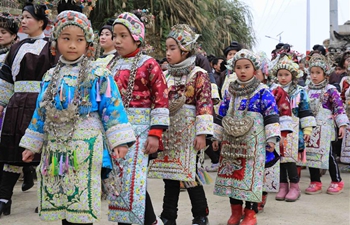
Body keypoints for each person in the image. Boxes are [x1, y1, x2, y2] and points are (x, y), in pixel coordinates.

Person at [20, 10, 135, 225]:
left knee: (82, 199)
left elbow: (112, 108)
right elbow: (40, 112)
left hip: (86, 146)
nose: (72, 45)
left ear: (87, 44)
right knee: (62, 198)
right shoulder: (49, 76)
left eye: (79, 40)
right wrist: (32, 145)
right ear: (56, 42)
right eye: (66, 39)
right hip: (55, 145)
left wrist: (119, 141)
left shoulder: (98, 74)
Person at [107, 12, 169, 225]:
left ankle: (147, 222)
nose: (117, 40)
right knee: (119, 182)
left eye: (122, 35)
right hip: (116, 131)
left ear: (137, 37)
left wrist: (155, 133)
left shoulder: (149, 64)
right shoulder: (110, 65)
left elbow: (161, 99)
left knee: (133, 182)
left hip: (141, 132)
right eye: (115, 35)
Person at [148, 24, 213, 225]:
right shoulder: (164, 75)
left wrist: (202, 134)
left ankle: (200, 216)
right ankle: (169, 216)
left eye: (172, 48)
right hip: (169, 133)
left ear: (185, 49)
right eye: (166, 48)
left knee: (190, 175)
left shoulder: (198, 74)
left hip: (189, 134)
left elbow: (205, 104)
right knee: (170, 175)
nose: (167, 53)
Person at [0, 1, 56, 217]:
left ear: (41, 22)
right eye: (22, 17)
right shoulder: (15, 47)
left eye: (28, 17)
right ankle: (4, 197)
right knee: (13, 151)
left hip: (39, 104)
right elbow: (5, 78)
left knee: (43, 151)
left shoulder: (52, 47)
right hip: (17, 103)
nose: (23, 21)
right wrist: (2, 103)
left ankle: (46, 198)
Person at [213, 49, 280, 225]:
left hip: (254, 143)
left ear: (255, 69)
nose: (242, 71)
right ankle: (235, 212)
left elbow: (272, 114)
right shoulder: (229, 91)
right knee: (231, 177)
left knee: (252, 178)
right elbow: (221, 114)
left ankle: (250, 213)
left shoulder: (262, 91)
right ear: (233, 69)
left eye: (246, 67)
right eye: (238, 67)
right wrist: (216, 137)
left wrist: (272, 139)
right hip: (231, 142)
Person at [271, 54, 316, 202]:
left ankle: (294, 186)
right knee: (279, 159)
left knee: (290, 160)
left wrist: (307, 129)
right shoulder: (272, 91)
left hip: (294, 130)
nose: (283, 77)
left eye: (286, 74)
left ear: (293, 75)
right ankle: (283, 185)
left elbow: (305, 110)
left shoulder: (300, 91)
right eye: (280, 75)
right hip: (277, 127)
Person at [304, 54, 348, 195]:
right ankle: (315, 181)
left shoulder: (330, 90)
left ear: (325, 74)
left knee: (328, 154)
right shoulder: (305, 90)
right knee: (310, 154)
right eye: (312, 72)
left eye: (318, 73)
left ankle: (336, 180)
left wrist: (342, 125)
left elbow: (339, 107)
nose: (314, 76)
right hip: (310, 127)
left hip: (325, 127)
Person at [255, 51, 293, 212]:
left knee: (266, 167)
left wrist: (281, 135)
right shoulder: (240, 89)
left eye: (254, 70)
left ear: (264, 72)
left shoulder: (274, 90)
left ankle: (261, 197)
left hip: (268, 135)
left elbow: (285, 112)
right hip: (248, 136)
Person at [0, 12, 19, 184]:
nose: (0, 35)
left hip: (9, 104)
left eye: (4, 32)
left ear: (14, 36)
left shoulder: (16, 54)